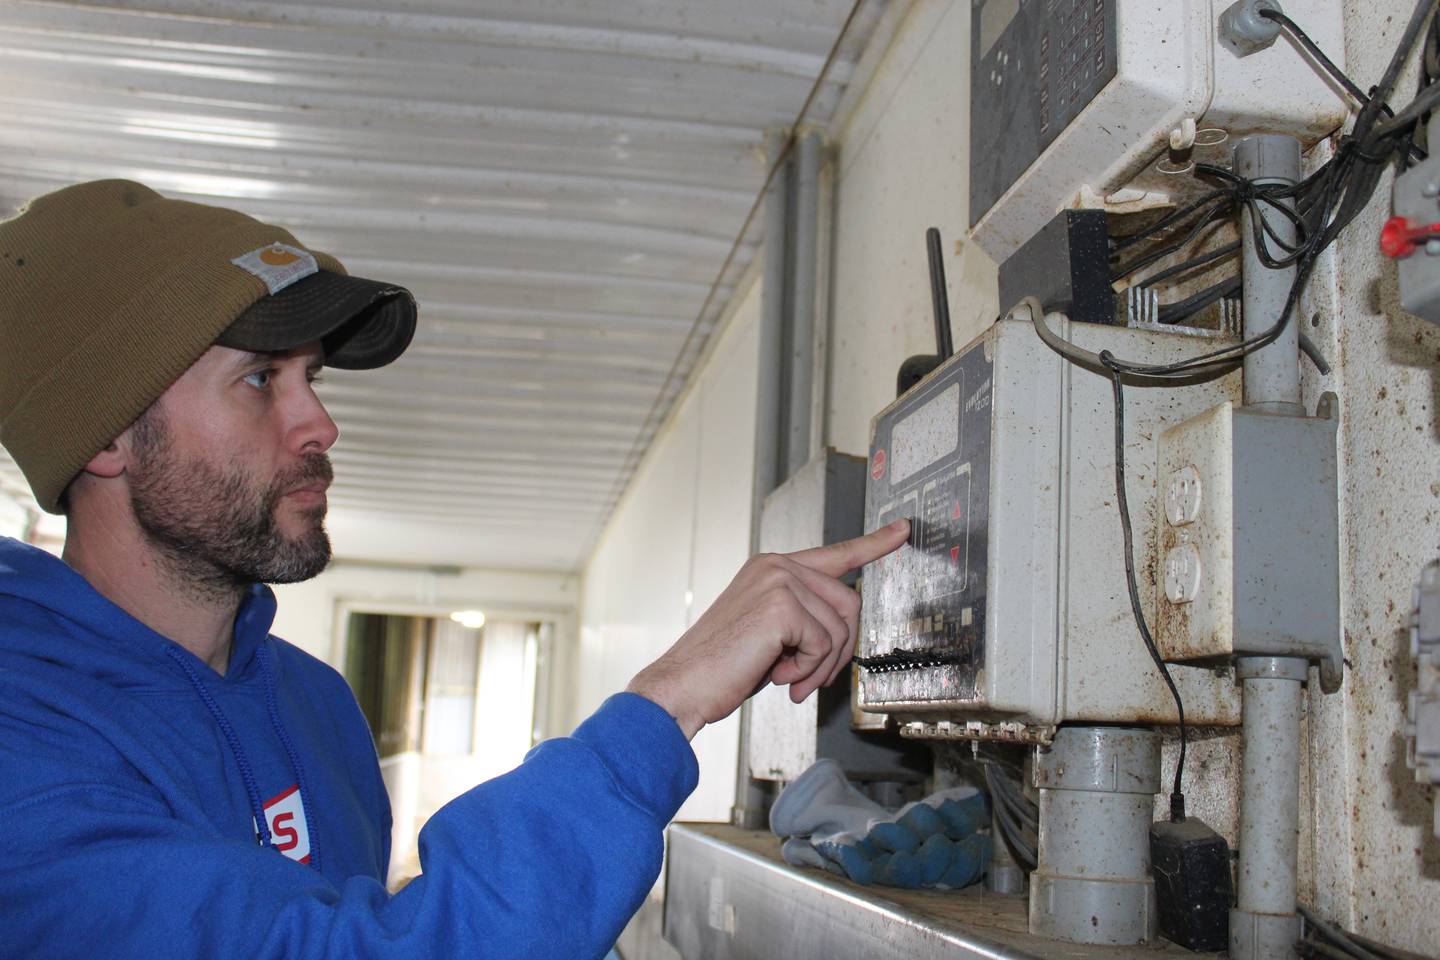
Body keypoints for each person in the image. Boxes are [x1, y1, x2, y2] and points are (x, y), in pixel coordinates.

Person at [0, 179, 908, 959]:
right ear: (110, 435)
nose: (320, 423)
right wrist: (666, 705)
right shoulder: (24, 740)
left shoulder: (313, 705)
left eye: (312, 375)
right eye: (260, 378)